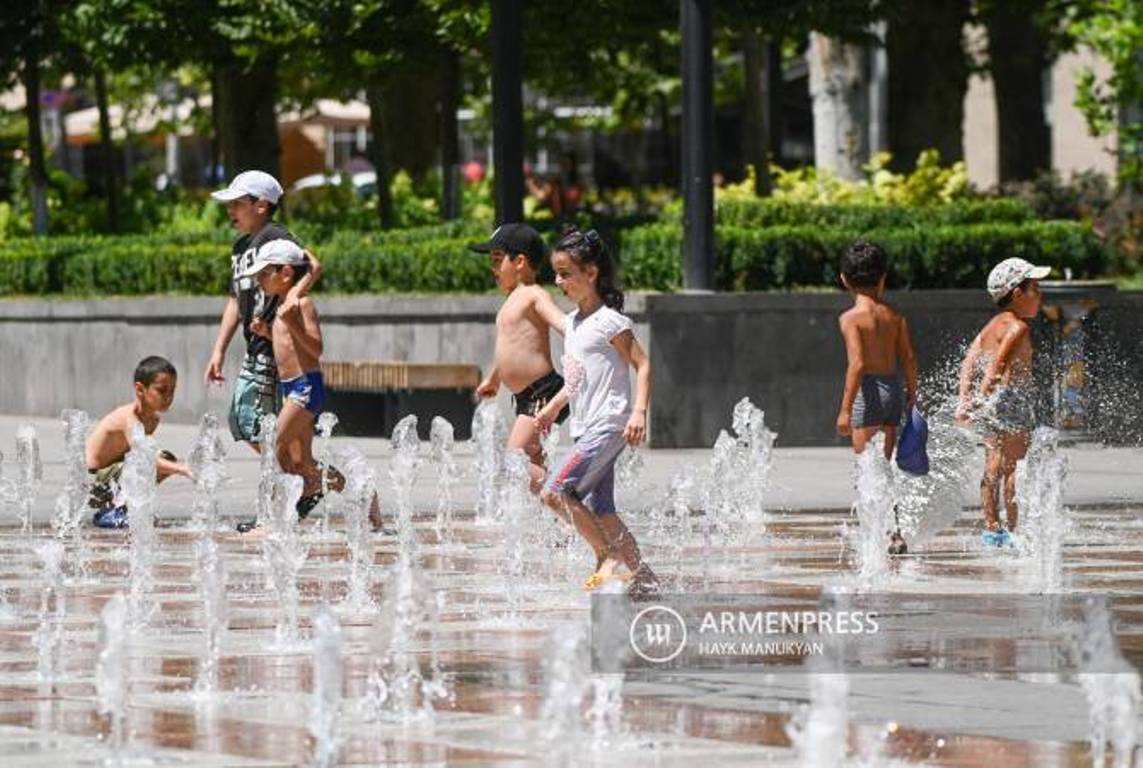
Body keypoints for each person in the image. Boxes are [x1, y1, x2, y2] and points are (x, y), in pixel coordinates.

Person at [533, 227, 659, 595]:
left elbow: (645, 365)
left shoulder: (610, 321)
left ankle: (608, 557)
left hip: (608, 424)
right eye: (556, 273)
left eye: (566, 273)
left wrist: (639, 413)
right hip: (585, 427)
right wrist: (552, 409)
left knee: (555, 491)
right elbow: (576, 380)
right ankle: (644, 578)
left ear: (591, 273)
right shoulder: (572, 324)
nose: (559, 281)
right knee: (601, 508)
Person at [233, 239, 361, 532]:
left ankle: (273, 517)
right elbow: (289, 346)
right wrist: (267, 333)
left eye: (265, 273)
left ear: (286, 273)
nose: (259, 280)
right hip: (293, 387)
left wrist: (292, 323)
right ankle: (362, 495)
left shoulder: (301, 305)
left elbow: (315, 349)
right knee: (302, 463)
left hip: (306, 387)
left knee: (274, 443)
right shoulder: (284, 305)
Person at [204, 170, 322, 453]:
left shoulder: (277, 237)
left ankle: (295, 478)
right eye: (229, 205)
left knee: (254, 424)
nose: (230, 210)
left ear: (261, 205)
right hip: (256, 345)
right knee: (253, 425)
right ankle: (297, 479)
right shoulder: (240, 247)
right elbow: (235, 300)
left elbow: (311, 267)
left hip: (276, 347)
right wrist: (218, 350)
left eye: (237, 203)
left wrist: (291, 299)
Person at [956, 257, 1051, 547]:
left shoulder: (991, 326)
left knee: (992, 466)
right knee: (1015, 468)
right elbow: (997, 366)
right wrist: (982, 399)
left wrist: (966, 400)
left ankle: (991, 528)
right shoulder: (1018, 327)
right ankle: (1015, 531)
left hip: (996, 400)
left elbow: (970, 362)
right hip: (1013, 399)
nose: (1040, 295)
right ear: (1018, 294)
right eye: (1035, 288)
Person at [470, 223, 569, 493]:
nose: (492, 269)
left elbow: (562, 324)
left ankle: (571, 507)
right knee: (534, 461)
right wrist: (493, 378)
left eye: (497, 260)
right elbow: (509, 348)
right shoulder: (512, 299)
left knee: (517, 458)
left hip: (543, 393)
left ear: (520, 262)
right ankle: (559, 524)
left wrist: (584, 335)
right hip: (527, 396)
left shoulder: (534, 295)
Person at [836, 241, 918, 555]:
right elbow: (909, 358)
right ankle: (894, 533)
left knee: (868, 470)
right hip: (892, 390)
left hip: (867, 394)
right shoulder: (894, 316)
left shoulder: (851, 318)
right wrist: (913, 396)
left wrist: (845, 410)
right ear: (883, 278)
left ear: (844, 279)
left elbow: (857, 364)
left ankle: (878, 534)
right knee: (884, 467)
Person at [86, 356, 193, 528]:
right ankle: (110, 512)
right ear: (140, 389)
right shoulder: (128, 418)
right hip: (92, 482)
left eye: (172, 390)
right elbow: (144, 459)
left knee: (165, 458)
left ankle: (126, 508)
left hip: (113, 475)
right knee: (146, 463)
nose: (168, 397)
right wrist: (184, 469)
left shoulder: (153, 420)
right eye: (161, 390)